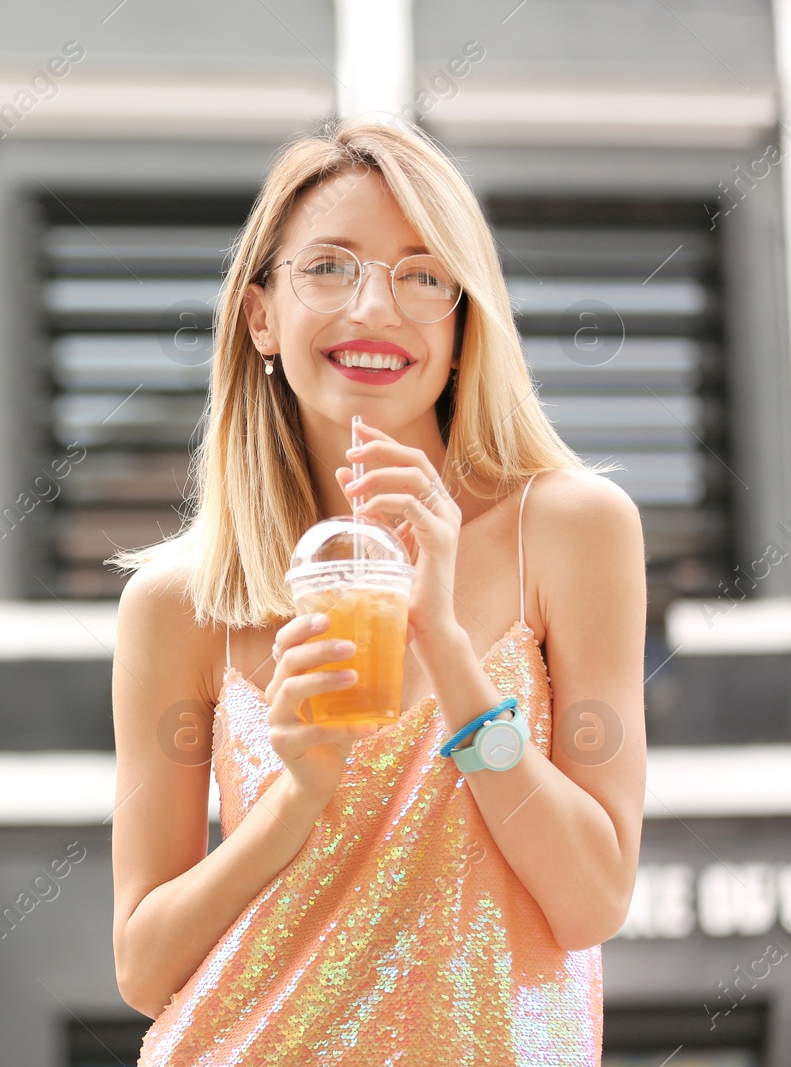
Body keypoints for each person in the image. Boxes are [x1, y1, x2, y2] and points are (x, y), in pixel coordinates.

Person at [107, 117, 647, 1064]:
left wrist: (442, 640)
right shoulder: (179, 602)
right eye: (328, 267)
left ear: (460, 322)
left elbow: (591, 898)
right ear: (261, 314)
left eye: (421, 274)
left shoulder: (568, 531)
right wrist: (295, 797)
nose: (374, 308)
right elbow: (145, 969)